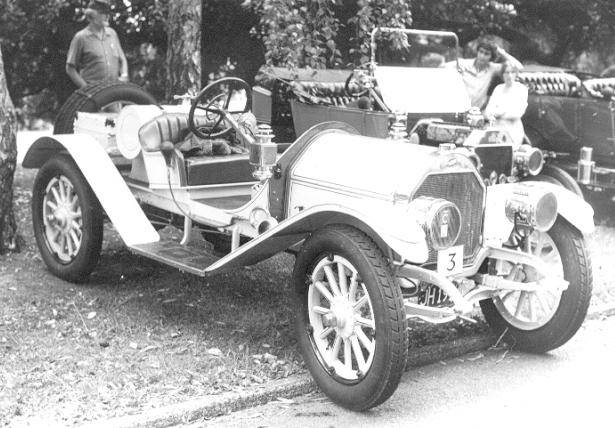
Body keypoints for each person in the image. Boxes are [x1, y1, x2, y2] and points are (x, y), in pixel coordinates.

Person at [65, 0, 129, 89]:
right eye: (103, 13)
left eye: (108, 13)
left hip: (114, 94)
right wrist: (86, 88)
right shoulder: (81, 37)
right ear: (92, 16)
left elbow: (122, 59)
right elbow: (70, 68)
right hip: (93, 97)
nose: (107, 16)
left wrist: (124, 75)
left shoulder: (112, 34)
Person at [454, 40, 523, 110]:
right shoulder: (463, 63)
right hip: (459, 109)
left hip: (477, 113)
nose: (482, 56)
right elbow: (444, 65)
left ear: (491, 57)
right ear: (477, 52)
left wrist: (501, 51)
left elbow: (518, 67)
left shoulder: (492, 68)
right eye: (481, 51)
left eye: (486, 54)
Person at [484, 61, 528, 147]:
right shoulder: (498, 89)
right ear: (502, 74)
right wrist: (503, 112)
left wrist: (497, 113)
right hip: (496, 129)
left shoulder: (521, 89)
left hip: (513, 130)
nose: (509, 75)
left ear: (516, 74)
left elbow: (517, 113)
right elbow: (488, 112)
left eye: (512, 72)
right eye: (507, 72)